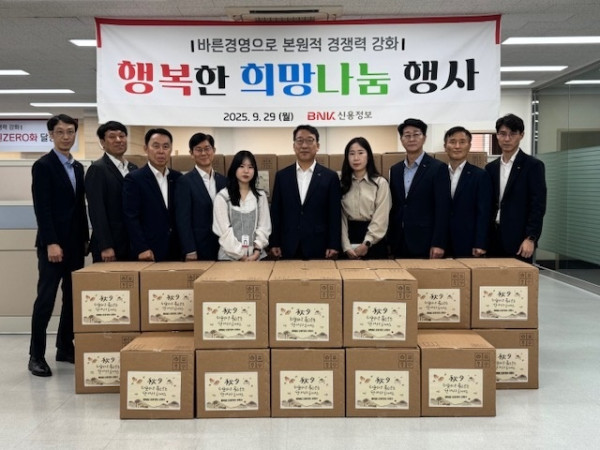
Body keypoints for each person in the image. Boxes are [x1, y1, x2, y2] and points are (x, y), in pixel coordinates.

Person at [29, 114, 89, 377]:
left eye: (70, 131)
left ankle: (65, 346)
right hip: (53, 246)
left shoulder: (78, 168)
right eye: (61, 132)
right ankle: (36, 356)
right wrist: (51, 242)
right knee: (46, 299)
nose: (66, 136)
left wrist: (85, 238)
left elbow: (79, 208)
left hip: (75, 245)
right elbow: (42, 208)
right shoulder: (43, 166)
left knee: (72, 298)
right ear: (51, 135)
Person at [269, 124, 341, 259]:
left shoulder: (330, 177)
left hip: (319, 244)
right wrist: (274, 242)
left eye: (309, 140)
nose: (304, 145)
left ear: (317, 146)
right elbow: (276, 212)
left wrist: (334, 244)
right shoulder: (282, 176)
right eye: (300, 140)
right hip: (288, 244)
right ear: (294, 146)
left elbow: (334, 214)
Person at [485, 113, 547, 262]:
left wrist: (531, 238)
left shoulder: (533, 166)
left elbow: (538, 205)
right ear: (497, 136)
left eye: (512, 134)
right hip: (492, 238)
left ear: (521, 135)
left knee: (518, 278)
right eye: (502, 134)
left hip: (519, 241)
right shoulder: (490, 168)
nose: (507, 139)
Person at [388, 118, 451, 258]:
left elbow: (443, 208)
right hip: (399, 240)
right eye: (407, 135)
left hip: (426, 241)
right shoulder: (395, 170)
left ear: (424, 138)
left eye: (416, 134)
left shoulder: (438, 168)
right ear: (401, 139)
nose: (411, 139)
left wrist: (438, 243)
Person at [123, 128, 182, 262]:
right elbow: (131, 217)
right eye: (156, 146)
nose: (161, 151)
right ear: (146, 148)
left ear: (171, 150)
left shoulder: (177, 178)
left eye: (165, 147)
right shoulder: (134, 179)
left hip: (176, 250)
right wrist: (141, 248)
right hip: (149, 251)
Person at [85, 121, 138, 262]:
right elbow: (97, 210)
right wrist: (106, 246)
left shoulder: (133, 168)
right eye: (112, 137)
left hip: (132, 244)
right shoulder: (97, 169)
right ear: (103, 142)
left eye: (122, 136)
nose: (118, 140)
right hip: (110, 246)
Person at [175, 133, 227, 261]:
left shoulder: (224, 181)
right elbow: (183, 220)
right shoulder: (184, 182)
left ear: (213, 151)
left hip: (224, 247)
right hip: (199, 248)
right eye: (198, 150)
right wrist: (190, 249)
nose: (204, 153)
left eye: (207, 148)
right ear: (191, 154)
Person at [212, 150, 271, 261]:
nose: (246, 171)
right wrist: (241, 256)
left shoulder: (260, 196)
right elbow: (224, 232)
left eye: (250, 167)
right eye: (241, 166)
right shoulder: (223, 197)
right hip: (229, 258)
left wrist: (256, 252)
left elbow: (264, 227)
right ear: (234, 168)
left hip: (256, 258)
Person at [444, 126, 493, 258]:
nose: (457, 146)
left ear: (469, 146)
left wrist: (480, 242)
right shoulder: (438, 173)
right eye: (452, 142)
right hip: (441, 242)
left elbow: (484, 212)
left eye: (462, 142)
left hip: (468, 242)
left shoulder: (480, 175)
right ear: (445, 146)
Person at [340, 137, 391, 259]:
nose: (356, 158)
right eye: (351, 154)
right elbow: (340, 217)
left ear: (368, 156)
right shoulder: (341, 183)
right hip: (348, 239)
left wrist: (367, 243)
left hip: (374, 241)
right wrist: (346, 246)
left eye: (360, 153)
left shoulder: (380, 183)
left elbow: (381, 217)